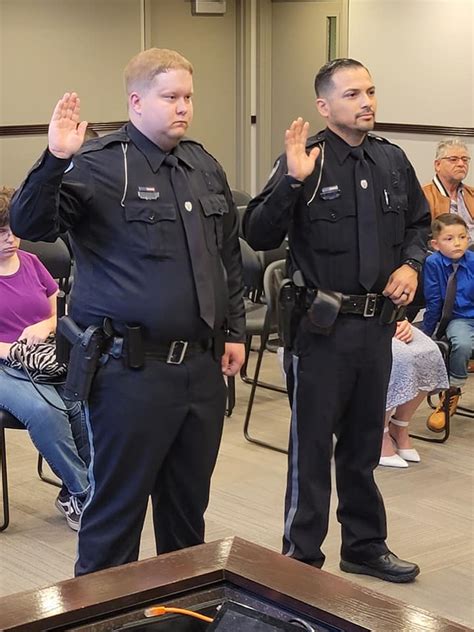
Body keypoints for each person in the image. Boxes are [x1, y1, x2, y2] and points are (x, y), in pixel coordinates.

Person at [10, 48, 245, 575]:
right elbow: (32, 222)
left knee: (188, 516)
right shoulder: (97, 163)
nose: (183, 107)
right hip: (128, 371)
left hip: (200, 370)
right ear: (137, 102)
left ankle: (181, 615)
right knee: (116, 515)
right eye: (170, 97)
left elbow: (226, 254)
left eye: (188, 97)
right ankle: (100, 618)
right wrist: (53, 160)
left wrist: (234, 330)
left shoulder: (203, 165)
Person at [244, 58, 430, 583]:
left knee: (363, 440)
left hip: (376, 326)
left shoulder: (391, 161)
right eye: (352, 94)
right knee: (310, 450)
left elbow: (418, 223)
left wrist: (411, 265)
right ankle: (301, 557)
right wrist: (291, 183)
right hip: (321, 329)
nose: (366, 101)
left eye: (370, 91)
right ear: (325, 107)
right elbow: (256, 233)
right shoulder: (308, 160)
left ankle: (365, 546)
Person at [0, 186, 89, 530]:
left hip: (41, 358)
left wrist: (44, 327)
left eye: (14, 230)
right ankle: (87, 493)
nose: (11, 239)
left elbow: (53, 313)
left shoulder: (33, 263)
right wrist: (10, 350)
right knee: (44, 412)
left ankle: (74, 493)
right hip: (5, 363)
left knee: (78, 402)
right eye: (2, 233)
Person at [421, 213, 474, 432]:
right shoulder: (433, 264)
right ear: (435, 243)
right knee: (461, 344)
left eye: (462, 237)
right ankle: (453, 391)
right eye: (449, 239)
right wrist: (427, 333)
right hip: (459, 318)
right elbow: (434, 300)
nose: (458, 243)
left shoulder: (473, 260)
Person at [379, 319, 448, 468]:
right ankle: (379, 434)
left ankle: (399, 426)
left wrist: (401, 319)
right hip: (355, 321)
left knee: (430, 351)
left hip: (387, 316)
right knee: (400, 358)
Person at [423, 139, 474, 243]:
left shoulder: (471, 194)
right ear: (438, 165)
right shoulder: (424, 195)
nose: (461, 164)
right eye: (453, 159)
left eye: (465, 159)